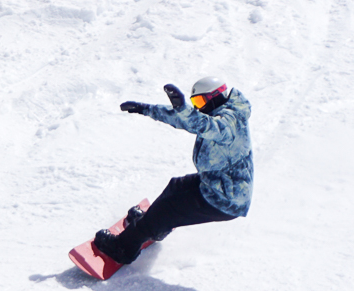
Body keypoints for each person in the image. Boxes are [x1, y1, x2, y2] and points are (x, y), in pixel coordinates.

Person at [93, 76, 253, 265]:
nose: (199, 107)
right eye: (195, 102)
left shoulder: (227, 122)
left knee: (169, 209)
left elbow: (208, 126)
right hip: (219, 183)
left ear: (215, 96)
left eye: (201, 101)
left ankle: (123, 248)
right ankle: (155, 226)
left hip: (226, 200)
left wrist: (184, 108)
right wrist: (146, 109)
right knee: (176, 186)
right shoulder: (220, 112)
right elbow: (187, 120)